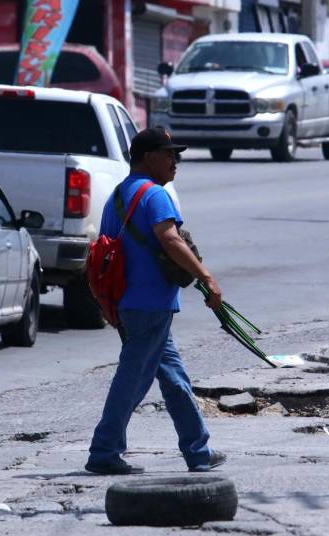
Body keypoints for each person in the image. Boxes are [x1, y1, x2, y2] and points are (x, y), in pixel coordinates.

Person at [85, 127, 226, 476]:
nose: (175, 162)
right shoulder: (155, 196)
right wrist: (206, 277)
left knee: (173, 377)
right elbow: (171, 240)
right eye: (169, 155)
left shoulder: (117, 196)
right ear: (149, 158)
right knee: (131, 380)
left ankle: (198, 450)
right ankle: (104, 450)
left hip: (128, 303)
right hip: (149, 304)